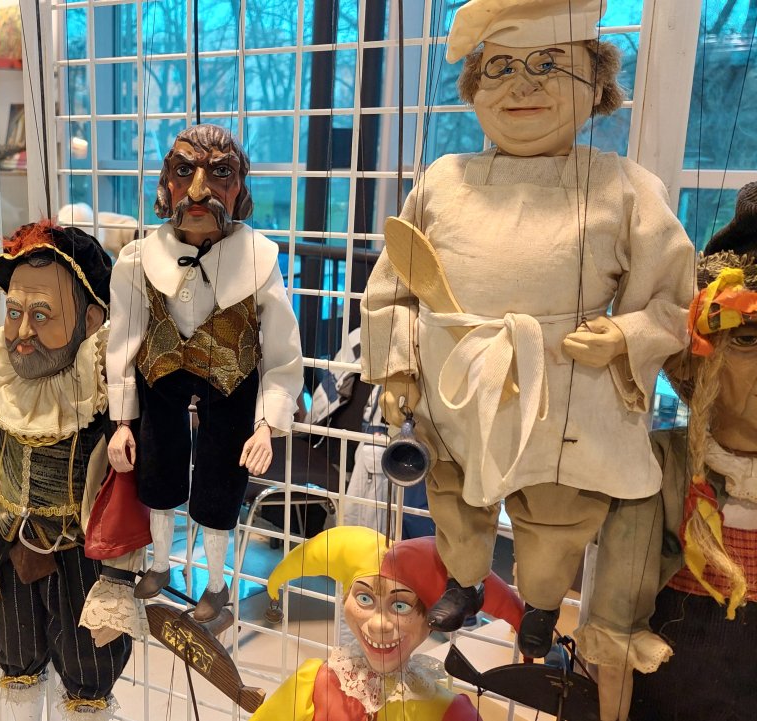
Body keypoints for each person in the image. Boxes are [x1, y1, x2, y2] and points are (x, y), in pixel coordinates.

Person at [360, 0, 694, 657]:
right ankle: (464, 581)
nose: (522, 86)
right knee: (455, 496)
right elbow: (395, 283)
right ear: (474, 87)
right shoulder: (443, 181)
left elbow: (671, 295)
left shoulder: (623, 187)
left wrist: (625, 336)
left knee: (556, 514)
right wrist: (397, 368)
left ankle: (540, 604)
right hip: (457, 382)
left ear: (596, 85)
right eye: (502, 68)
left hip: (564, 387)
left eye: (548, 65)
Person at [0, 221, 143, 720]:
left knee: (88, 675)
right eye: (14, 313)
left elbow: (125, 493)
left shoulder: (103, 398)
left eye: (41, 314)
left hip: (82, 561)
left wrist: (117, 579)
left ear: (92, 319)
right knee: (15, 662)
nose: (22, 332)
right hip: (10, 553)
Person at [106, 123, 303, 622]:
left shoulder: (259, 261)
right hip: (161, 375)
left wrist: (267, 424)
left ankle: (216, 585)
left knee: (220, 485)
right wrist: (123, 421)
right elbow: (123, 339)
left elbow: (282, 351)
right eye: (183, 171)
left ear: (239, 188)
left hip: (232, 378)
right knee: (158, 474)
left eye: (218, 174)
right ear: (165, 184)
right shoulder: (136, 261)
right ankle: (160, 564)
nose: (198, 191)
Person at [577, 186, 757, 721]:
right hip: (668, 694)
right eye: (748, 340)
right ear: (697, 359)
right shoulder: (660, 469)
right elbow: (618, 619)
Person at [254, 526, 523, 721]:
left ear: (432, 618)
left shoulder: (448, 714)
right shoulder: (313, 683)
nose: (378, 624)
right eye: (364, 598)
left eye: (400, 606)